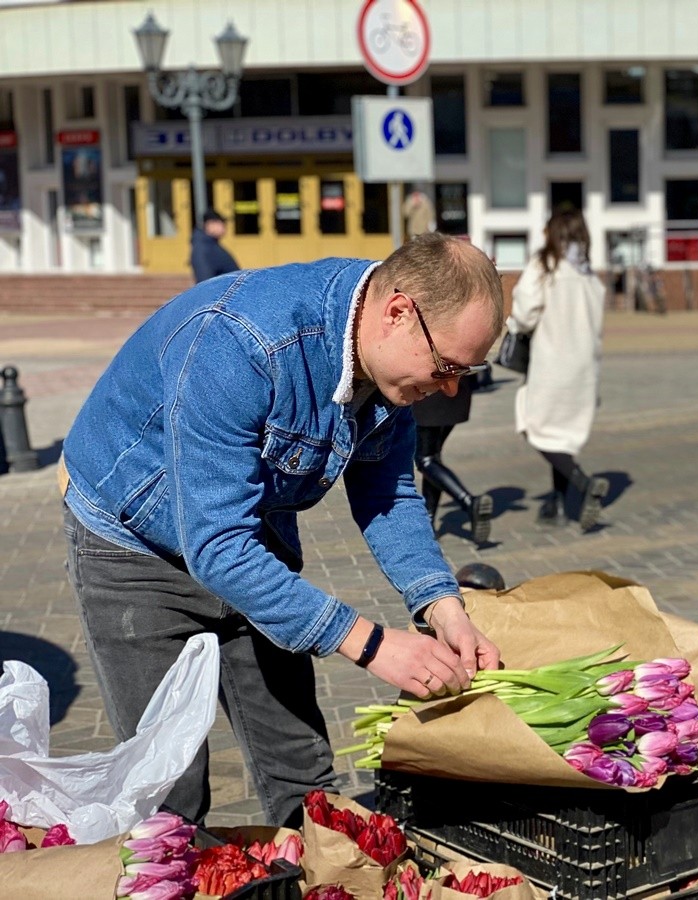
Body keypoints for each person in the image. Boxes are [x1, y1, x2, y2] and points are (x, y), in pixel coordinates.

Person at [60, 233, 503, 828]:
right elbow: (216, 546)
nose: (449, 388)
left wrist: (441, 604)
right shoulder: (241, 343)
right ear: (398, 313)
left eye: (465, 373)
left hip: (245, 533)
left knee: (302, 769)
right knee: (167, 791)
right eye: (447, 367)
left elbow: (388, 491)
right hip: (135, 548)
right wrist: (371, 644)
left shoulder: (387, 361)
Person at [507, 209, 608, 531]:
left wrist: (512, 326)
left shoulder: (545, 266)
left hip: (551, 364)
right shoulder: (588, 274)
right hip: (584, 368)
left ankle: (584, 483)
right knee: (561, 437)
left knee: (534, 426)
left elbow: (524, 313)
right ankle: (561, 507)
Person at [414, 374, 492, 544]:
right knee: (433, 457)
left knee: (425, 459)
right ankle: (428, 522)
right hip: (458, 388)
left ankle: (470, 502)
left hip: (430, 389)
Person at [189, 209, 240, 284]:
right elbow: (205, 281)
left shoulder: (211, 244)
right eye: (221, 223)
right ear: (210, 225)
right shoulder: (203, 248)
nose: (224, 226)